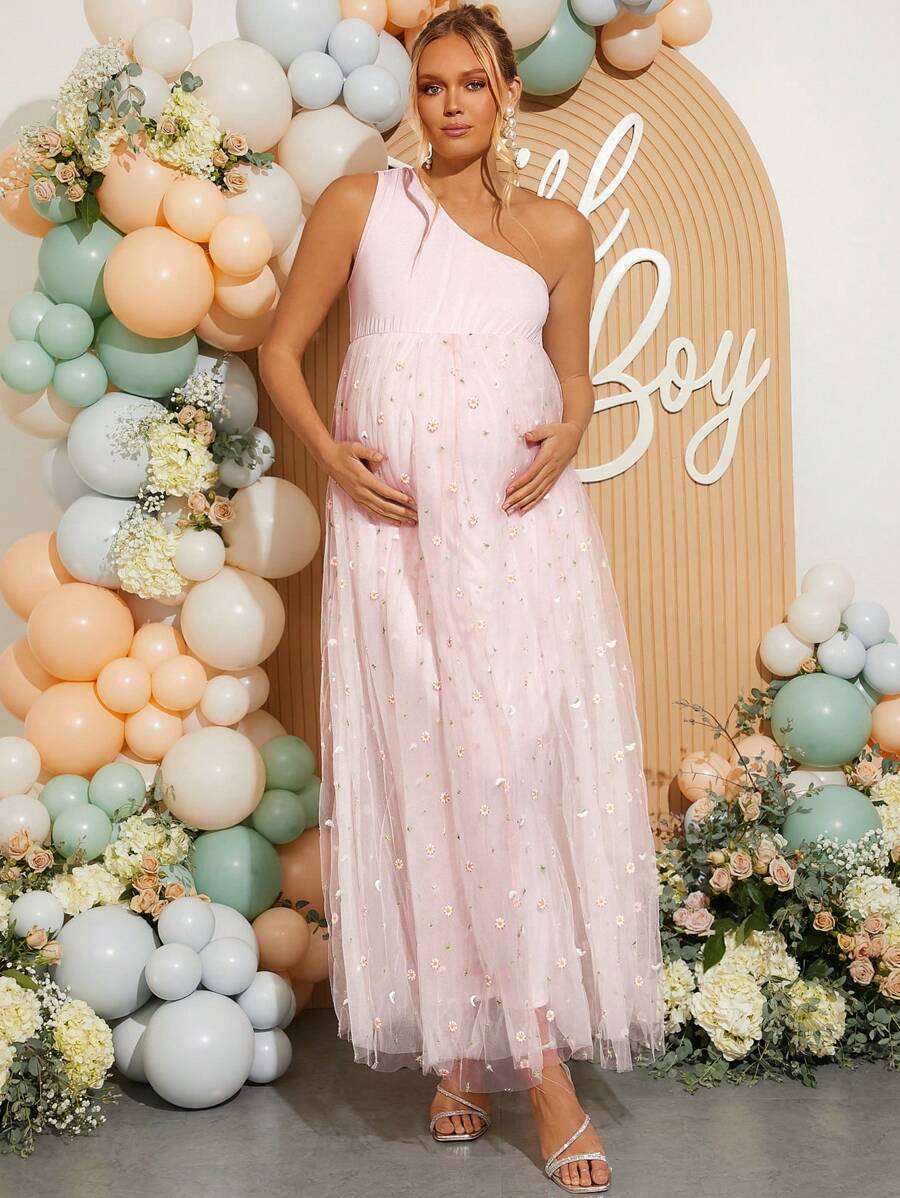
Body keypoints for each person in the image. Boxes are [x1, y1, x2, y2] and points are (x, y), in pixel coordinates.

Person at [259, 4, 665, 1191]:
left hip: (524, 539)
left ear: (508, 94)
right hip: (398, 538)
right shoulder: (361, 206)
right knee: (433, 773)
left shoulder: (558, 232)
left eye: (471, 84)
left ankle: (528, 1058)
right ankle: (474, 1052)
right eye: (431, 85)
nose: (449, 105)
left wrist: (571, 426)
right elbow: (282, 349)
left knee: (516, 767)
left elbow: (577, 379)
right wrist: (335, 460)